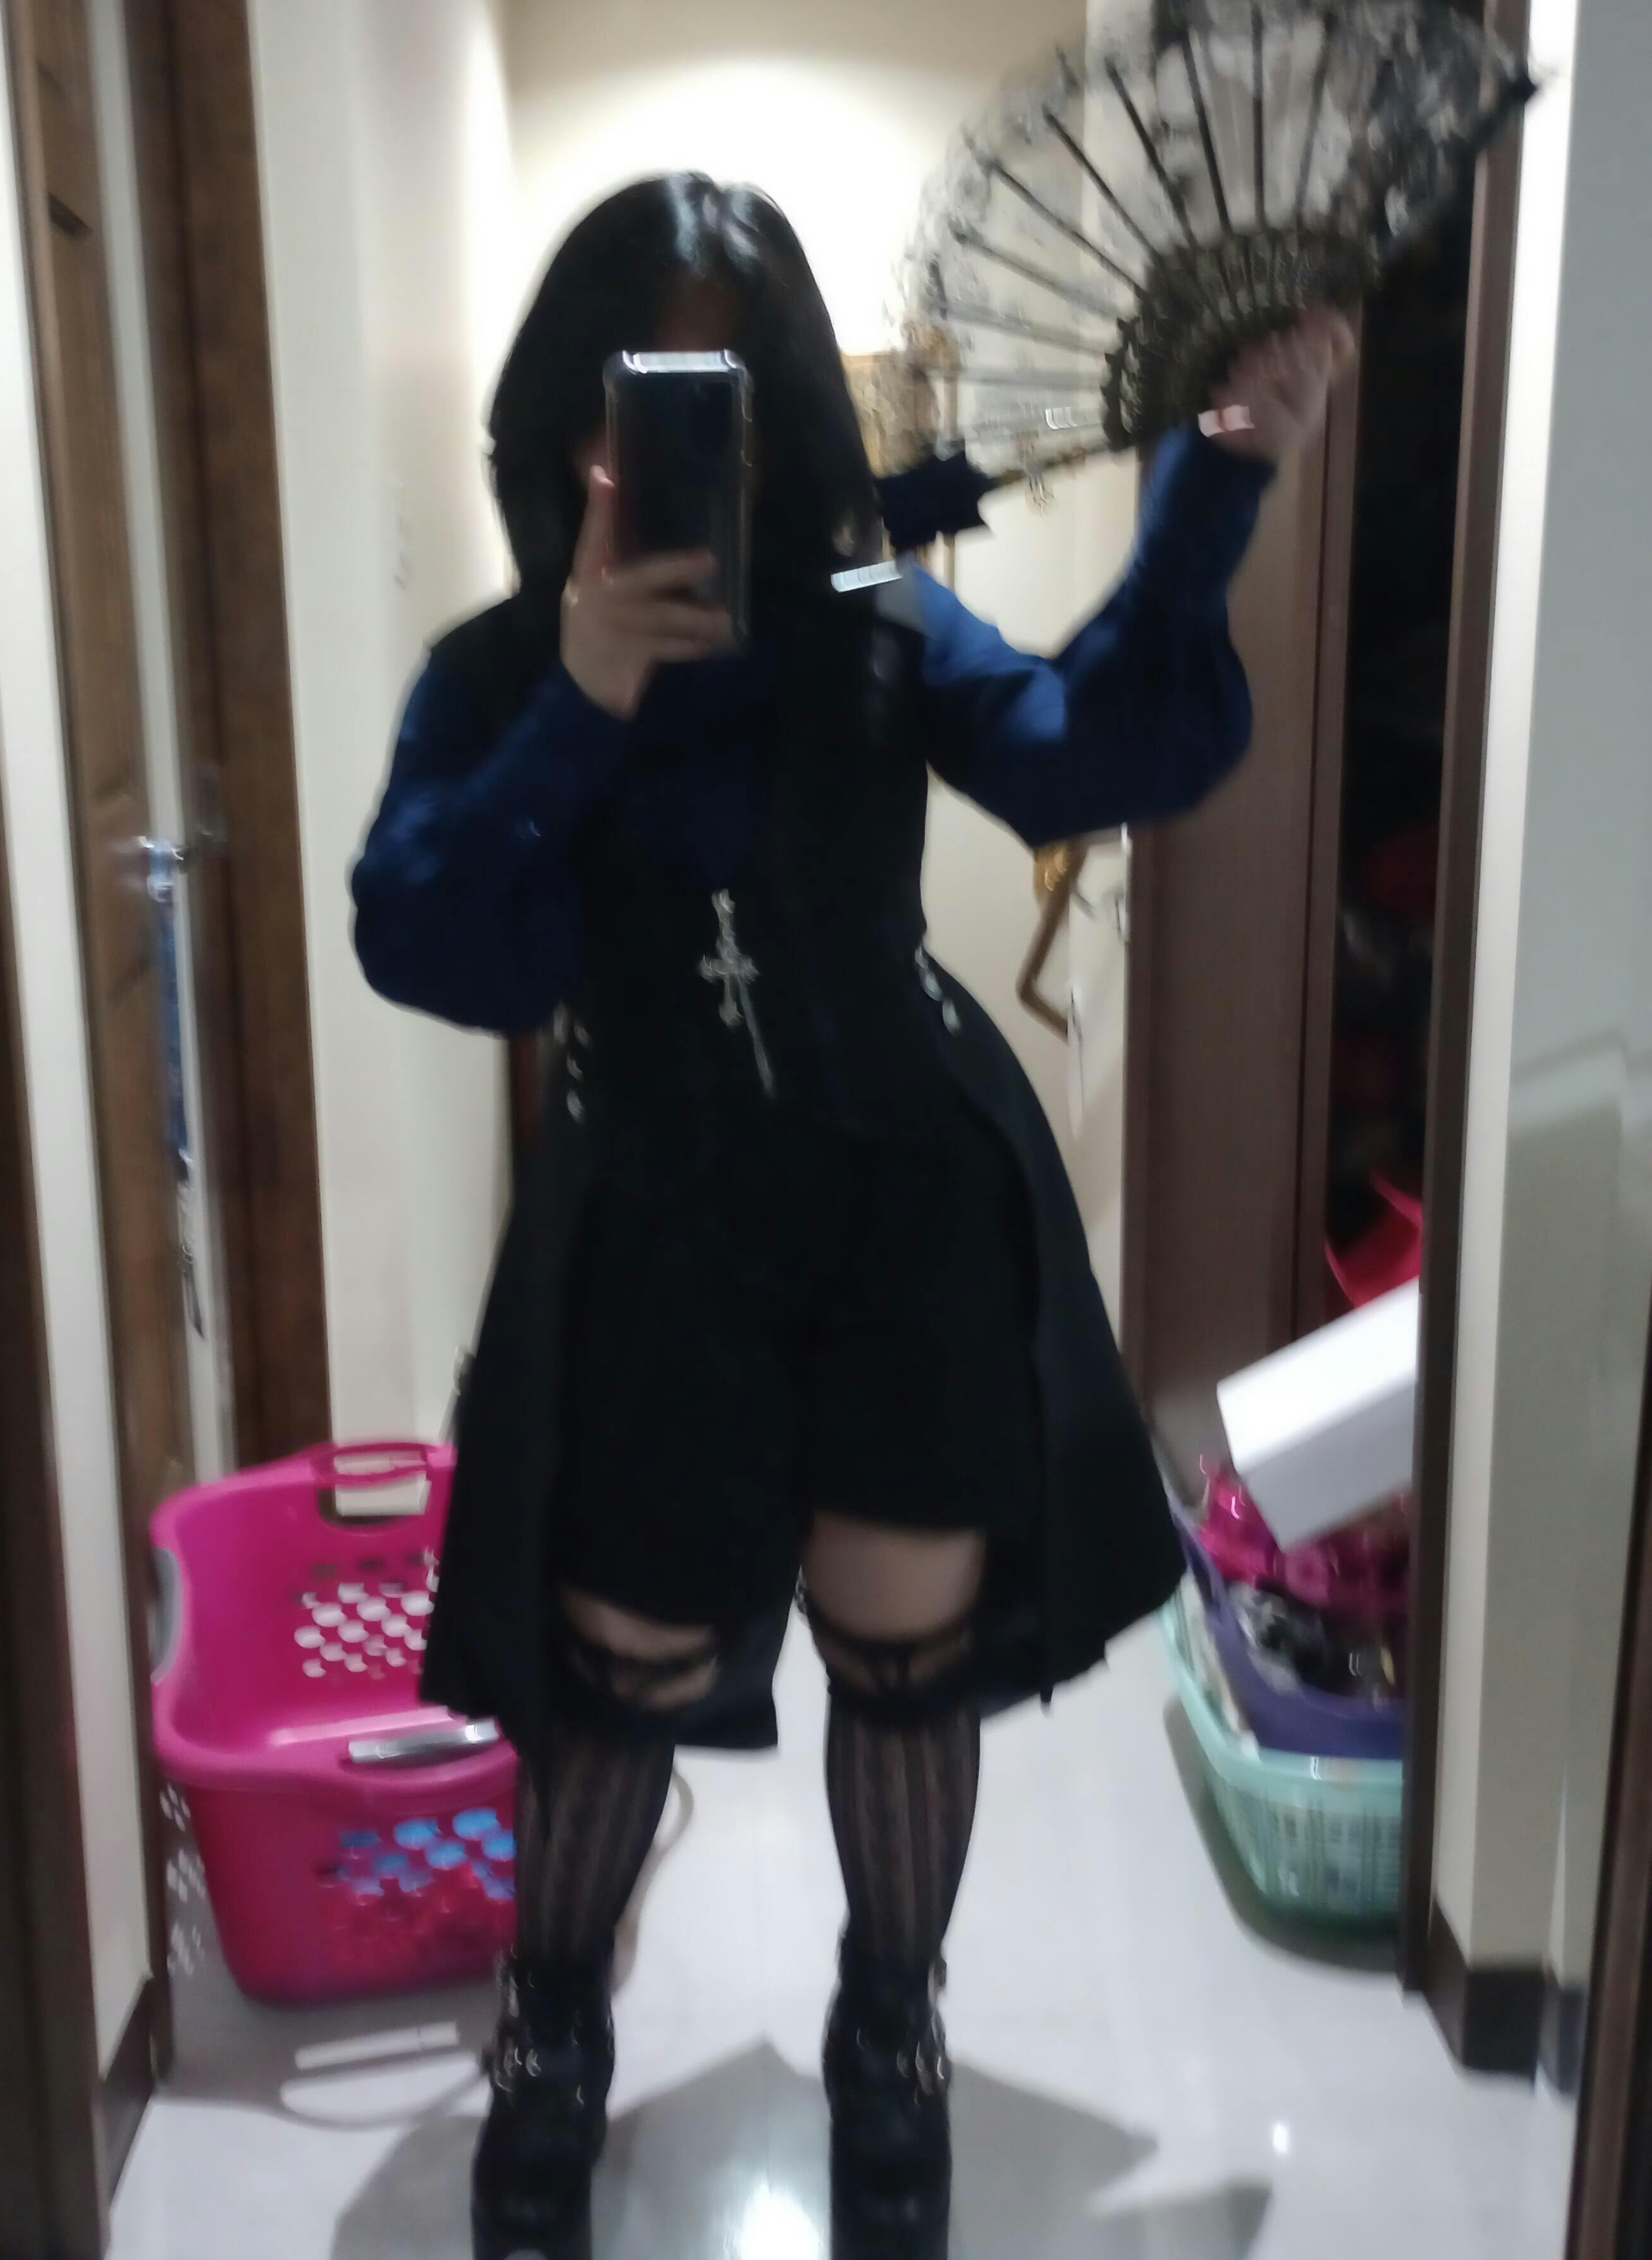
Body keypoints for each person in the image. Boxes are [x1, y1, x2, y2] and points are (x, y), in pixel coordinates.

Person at [351, 173, 1349, 2260]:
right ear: (563, 418)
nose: (659, 454)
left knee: (907, 1673)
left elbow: (1089, 754)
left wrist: (1217, 483)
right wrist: (582, 700)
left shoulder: (875, 609)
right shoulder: (501, 668)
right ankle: (553, 2033)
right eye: (633, 398)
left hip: (904, 1208)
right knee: (618, 1674)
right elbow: (433, 942)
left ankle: (890, 2033)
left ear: (788, 419)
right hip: (655, 1228)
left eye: (718, 401)